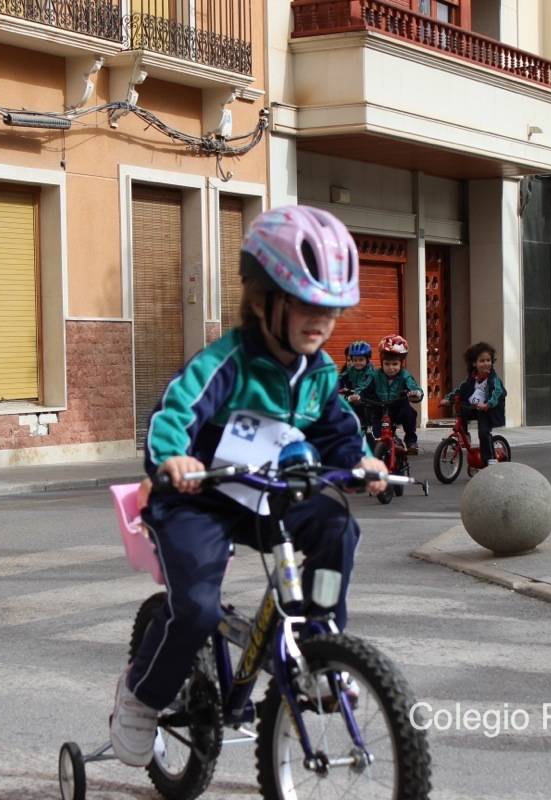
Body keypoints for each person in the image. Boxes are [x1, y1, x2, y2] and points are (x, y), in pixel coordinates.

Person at [112, 206, 389, 768]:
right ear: (263, 299)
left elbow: (338, 429)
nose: (323, 321)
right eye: (308, 304)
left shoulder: (319, 373)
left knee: (337, 525)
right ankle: (140, 699)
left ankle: (321, 647)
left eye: (332, 309)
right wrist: (174, 458)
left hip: (268, 495)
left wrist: (364, 462)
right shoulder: (227, 363)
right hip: (199, 500)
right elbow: (176, 411)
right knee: (195, 611)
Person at [440, 342, 506, 466]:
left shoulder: (493, 379)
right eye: (482, 361)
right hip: (474, 408)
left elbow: (497, 393)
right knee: (462, 411)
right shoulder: (472, 379)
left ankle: (490, 459)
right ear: (474, 363)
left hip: (487, 411)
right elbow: (460, 389)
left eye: (488, 360)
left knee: (483, 432)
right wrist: (448, 399)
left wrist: (488, 404)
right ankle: (464, 434)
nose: (486, 363)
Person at [369, 335, 424, 455]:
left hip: (398, 408)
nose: (391, 368)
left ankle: (411, 441)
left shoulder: (405, 375)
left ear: (401, 363)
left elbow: (414, 387)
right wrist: (357, 395)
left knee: (409, 414)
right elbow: (364, 387)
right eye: (387, 364)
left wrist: (416, 393)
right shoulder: (375, 375)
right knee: (376, 435)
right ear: (381, 363)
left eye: (395, 364)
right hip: (380, 409)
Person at [340, 339, 375, 431]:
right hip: (354, 398)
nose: (358, 362)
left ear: (367, 359)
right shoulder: (351, 369)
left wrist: (357, 393)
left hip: (368, 399)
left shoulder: (370, 372)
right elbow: (341, 377)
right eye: (355, 360)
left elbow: (364, 385)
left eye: (361, 360)